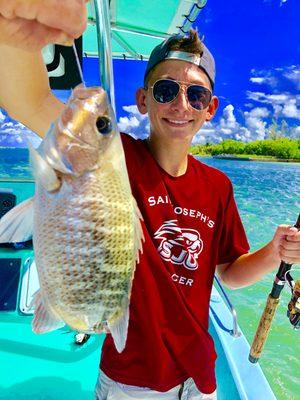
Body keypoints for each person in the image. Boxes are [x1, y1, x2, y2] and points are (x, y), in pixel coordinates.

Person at [0, 3, 299, 400]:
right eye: (165, 90)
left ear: (210, 109)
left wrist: (274, 251)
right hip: (129, 377)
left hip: (199, 375)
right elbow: (31, 102)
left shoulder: (218, 185)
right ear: (143, 99)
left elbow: (228, 272)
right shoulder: (114, 156)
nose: (180, 104)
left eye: (196, 94)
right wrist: (11, 32)